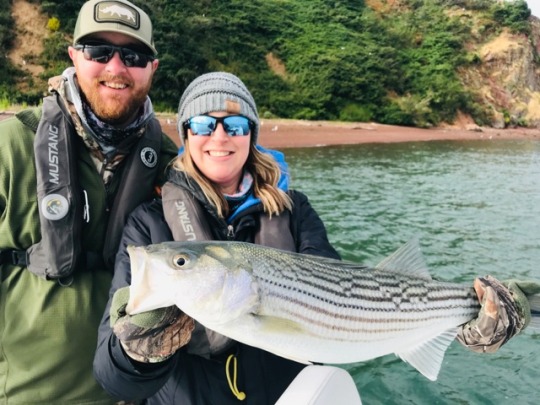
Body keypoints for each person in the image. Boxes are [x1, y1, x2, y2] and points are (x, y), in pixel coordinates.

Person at [93, 72, 530, 404]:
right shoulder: (149, 227)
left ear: (252, 135)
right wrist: (137, 350)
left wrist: (469, 320)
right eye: (204, 124)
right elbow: (112, 378)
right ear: (187, 135)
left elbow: (349, 292)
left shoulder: (294, 211)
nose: (219, 137)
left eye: (236, 125)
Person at [0, 0, 178, 403]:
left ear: (152, 67)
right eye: (99, 51)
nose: (115, 68)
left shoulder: (171, 166)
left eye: (133, 56)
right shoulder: (10, 147)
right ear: (74, 55)